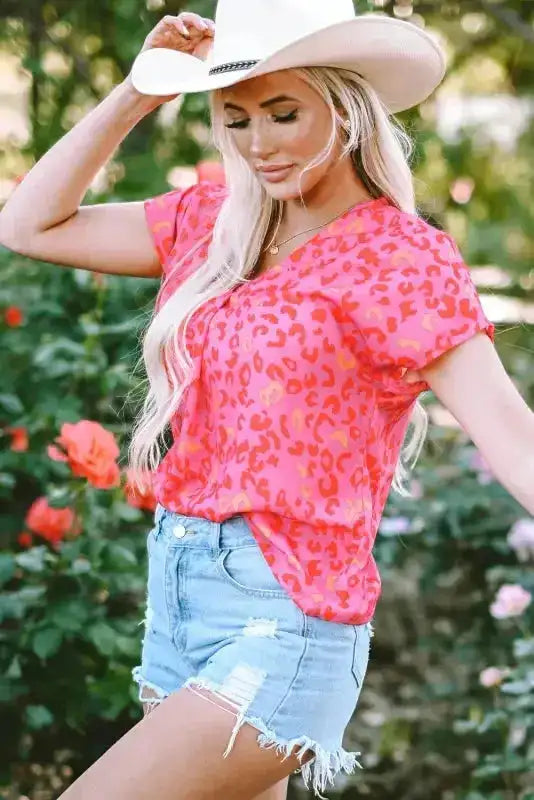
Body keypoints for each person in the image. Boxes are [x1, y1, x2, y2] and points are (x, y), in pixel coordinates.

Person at [1, 1, 532, 798]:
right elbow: (29, 224)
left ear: (345, 107)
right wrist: (140, 93)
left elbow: (510, 432)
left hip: (285, 616)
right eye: (237, 117)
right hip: (181, 598)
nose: (259, 144)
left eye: (284, 113)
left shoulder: (402, 260)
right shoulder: (212, 224)